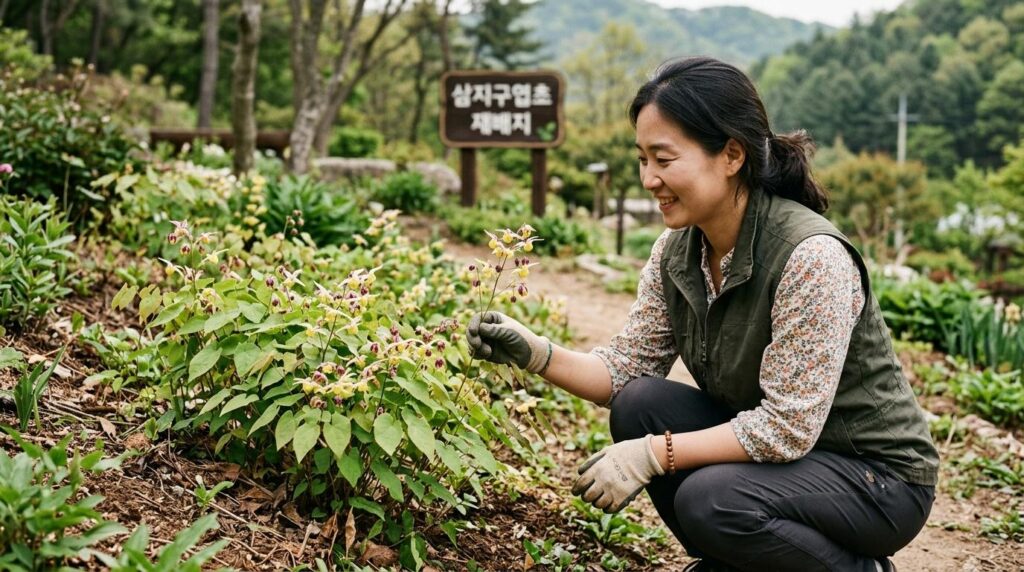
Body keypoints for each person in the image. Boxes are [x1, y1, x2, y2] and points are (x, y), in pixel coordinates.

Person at [466, 56, 938, 572]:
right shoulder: (677, 251)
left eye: (664, 160)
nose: (649, 178)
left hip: (875, 479)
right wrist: (537, 352)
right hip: (788, 460)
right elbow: (626, 371)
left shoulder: (810, 257)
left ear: (731, 154)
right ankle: (735, 559)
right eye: (642, 159)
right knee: (640, 404)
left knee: (711, 498)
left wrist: (652, 455)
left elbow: (785, 428)